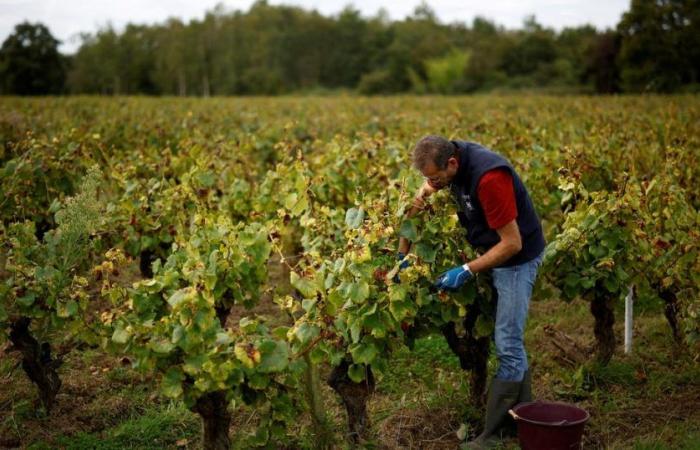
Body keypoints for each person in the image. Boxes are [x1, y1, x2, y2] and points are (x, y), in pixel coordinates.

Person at [397, 135, 545, 449]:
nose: (432, 184)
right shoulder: (448, 162)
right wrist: (402, 255)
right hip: (490, 247)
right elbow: (419, 200)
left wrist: (467, 270)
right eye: (428, 178)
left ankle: (494, 436)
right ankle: (521, 420)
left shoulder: (490, 179)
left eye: (436, 178)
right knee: (508, 340)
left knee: (507, 342)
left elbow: (512, 244)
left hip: (517, 259)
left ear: (452, 163)